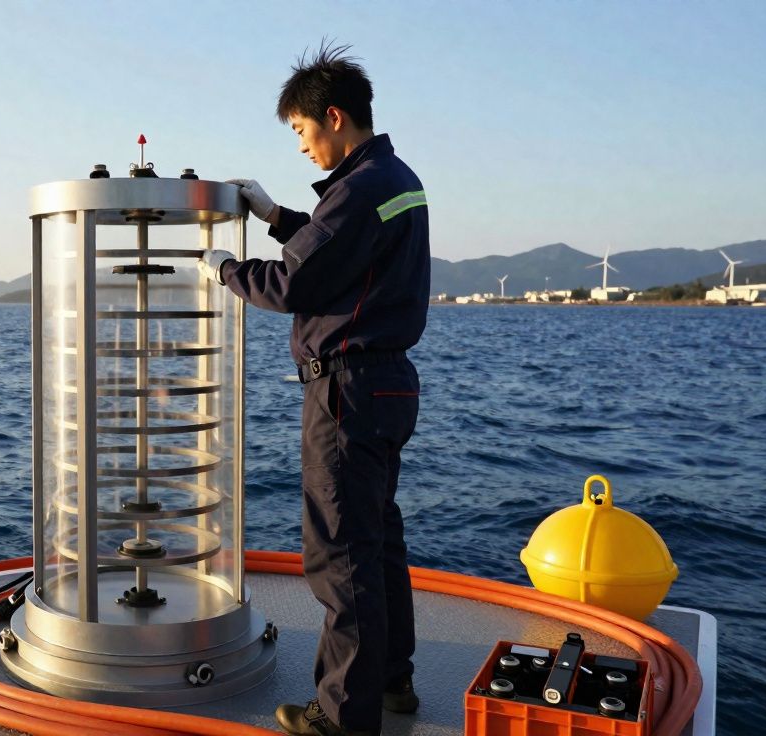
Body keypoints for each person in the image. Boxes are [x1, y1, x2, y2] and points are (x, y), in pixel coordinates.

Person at [199, 44, 430, 736]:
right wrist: (273, 215)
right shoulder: (393, 179)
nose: (301, 147)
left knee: (341, 553)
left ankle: (341, 718)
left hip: (346, 393)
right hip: (389, 387)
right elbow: (334, 254)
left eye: (301, 131)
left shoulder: (357, 191)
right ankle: (393, 683)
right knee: (379, 537)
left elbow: (295, 282)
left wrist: (226, 270)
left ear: (332, 117)